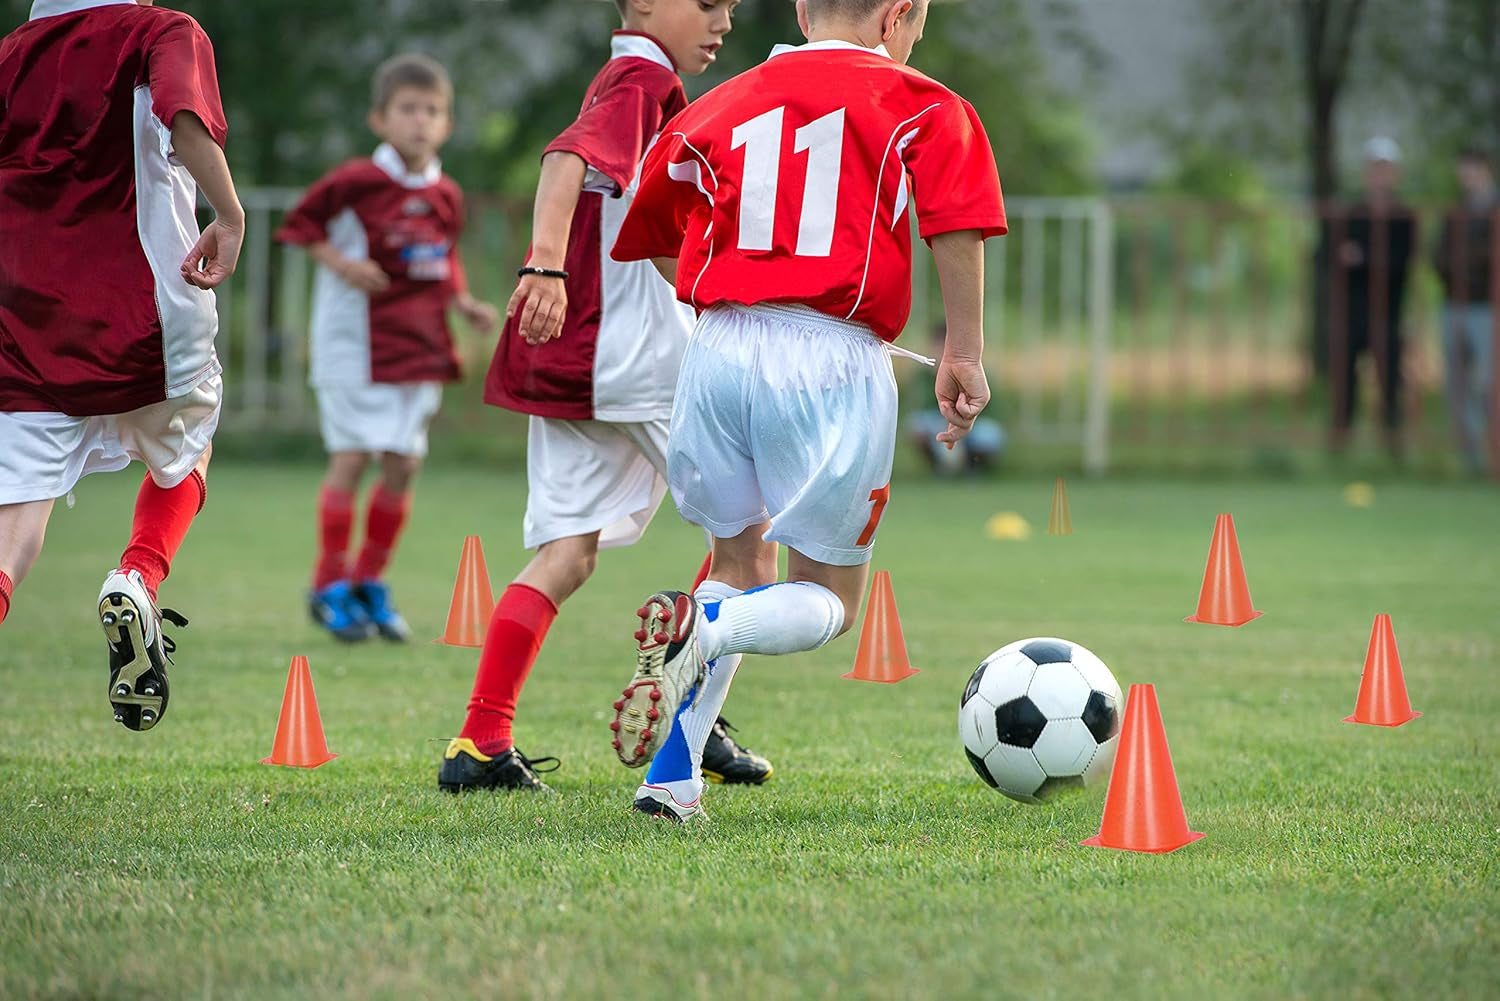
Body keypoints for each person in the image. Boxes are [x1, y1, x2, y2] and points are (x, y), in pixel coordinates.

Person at [607, 0, 1006, 821]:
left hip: (716, 346)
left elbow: (649, 225)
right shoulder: (924, 103)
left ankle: (671, 779)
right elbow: (957, 223)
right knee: (829, 603)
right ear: (896, 15)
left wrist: (733, 288)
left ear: (801, 9)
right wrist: (963, 351)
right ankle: (704, 632)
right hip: (828, 358)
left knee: (734, 569)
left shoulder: (721, 100)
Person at [436, 0, 774, 794]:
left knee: (566, 553)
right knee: (754, 533)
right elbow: (565, 159)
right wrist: (543, 265)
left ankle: (480, 741)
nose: (722, 20)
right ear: (647, 4)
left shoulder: (631, 77)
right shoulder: (641, 76)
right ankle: (694, 714)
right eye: (708, 4)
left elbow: (637, 229)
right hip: (637, 359)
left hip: (579, 362)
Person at [0, 0, 242, 731]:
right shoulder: (161, 30)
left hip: (28, 324)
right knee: (188, 439)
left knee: (13, 526)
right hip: (146, 313)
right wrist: (228, 213)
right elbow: (185, 116)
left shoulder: (12, 54)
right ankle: (138, 573)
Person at [276, 54, 498, 643]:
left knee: (404, 463)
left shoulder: (445, 193)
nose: (420, 122)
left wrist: (464, 301)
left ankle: (369, 582)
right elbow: (297, 226)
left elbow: (441, 254)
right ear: (380, 118)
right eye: (408, 110)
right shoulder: (355, 182)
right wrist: (343, 264)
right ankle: (328, 586)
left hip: (418, 343)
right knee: (352, 459)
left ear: (446, 124)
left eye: (432, 111)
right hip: (354, 344)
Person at [1324, 136, 1417, 457]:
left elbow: (1399, 263)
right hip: (1354, 310)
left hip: (1389, 311)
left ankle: (1394, 447)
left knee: (1390, 379)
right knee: (1344, 379)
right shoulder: (1352, 213)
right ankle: (1339, 445)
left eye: (1386, 169)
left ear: (1395, 174)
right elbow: (1333, 256)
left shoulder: (1404, 216)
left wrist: (1363, 259)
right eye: (1375, 169)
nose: (1380, 176)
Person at [1433, 147, 1496, 474]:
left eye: (1474, 167)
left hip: (1488, 307)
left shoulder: (1495, 209)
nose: (1467, 174)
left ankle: (1493, 451)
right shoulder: (1455, 210)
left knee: (1489, 383)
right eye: (1464, 167)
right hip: (1454, 303)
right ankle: (1471, 458)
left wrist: (1467, 265)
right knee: (1456, 384)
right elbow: (1439, 255)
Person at [906, 324, 1005, 476]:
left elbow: (991, 409)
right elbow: (922, 408)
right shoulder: (924, 377)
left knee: (989, 435)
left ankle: (972, 466)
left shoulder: (975, 373)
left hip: (975, 423)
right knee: (918, 425)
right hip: (938, 423)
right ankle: (939, 466)